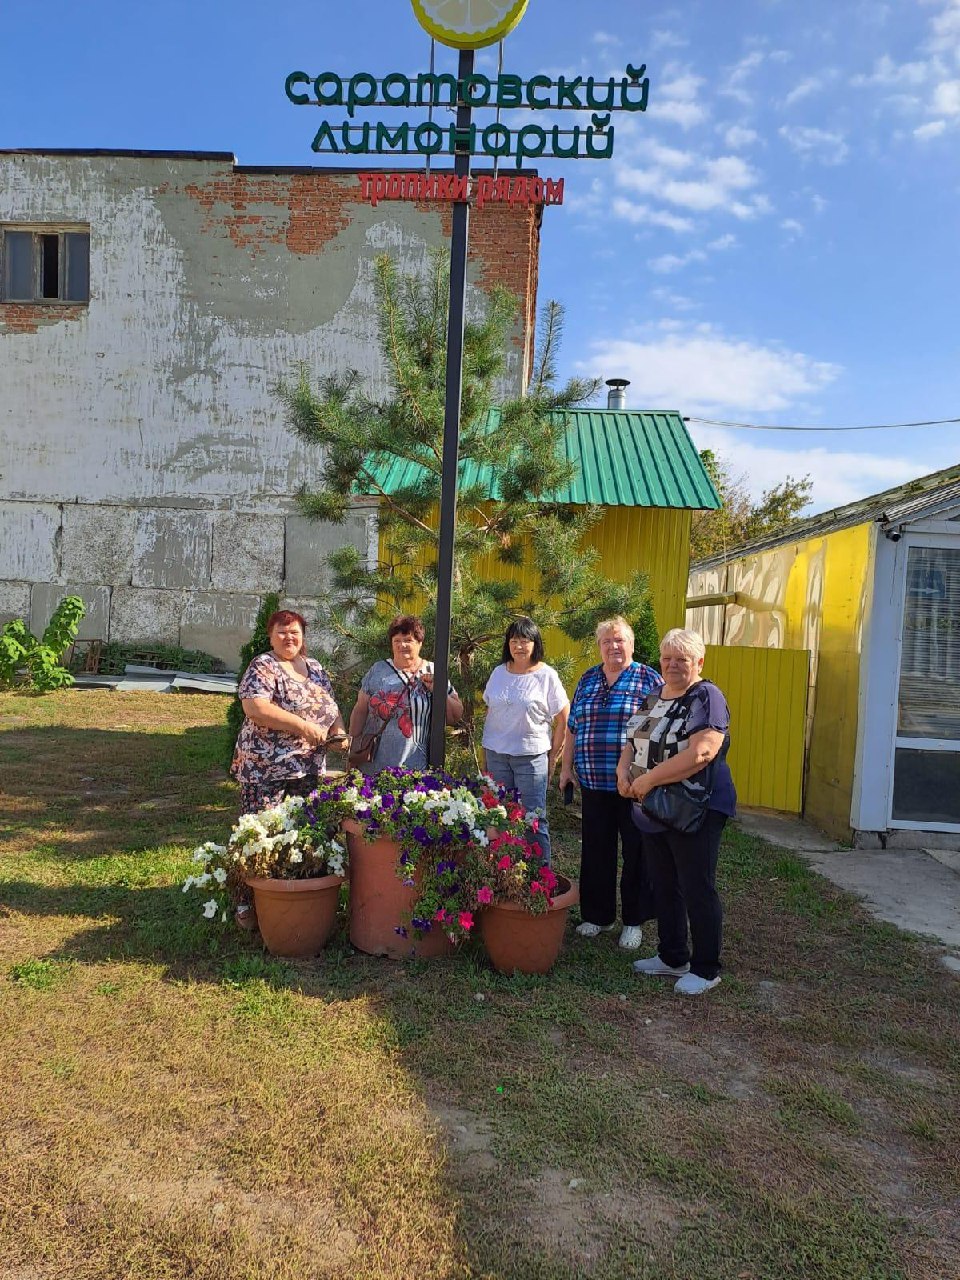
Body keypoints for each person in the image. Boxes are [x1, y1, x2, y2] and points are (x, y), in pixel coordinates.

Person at [620, 627, 736, 997]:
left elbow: (702, 752)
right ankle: (672, 956)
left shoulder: (706, 696)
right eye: (667, 658)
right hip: (653, 808)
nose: (672, 665)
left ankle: (706, 967)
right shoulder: (654, 695)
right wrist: (624, 773)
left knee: (696, 885)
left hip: (695, 808)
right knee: (664, 882)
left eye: (681, 659)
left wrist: (649, 779)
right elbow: (632, 739)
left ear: (698, 662)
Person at [558, 616, 662, 950]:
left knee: (637, 853)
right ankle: (597, 916)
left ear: (631, 644)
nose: (614, 646)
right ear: (599, 646)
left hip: (634, 786)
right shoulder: (589, 678)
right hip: (593, 782)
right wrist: (566, 768)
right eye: (607, 641)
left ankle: (633, 921)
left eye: (620, 640)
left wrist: (643, 774)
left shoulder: (648, 678)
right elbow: (573, 727)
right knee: (596, 850)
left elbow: (658, 731)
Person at [231, 609, 348, 815]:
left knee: (305, 830)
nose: (289, 637)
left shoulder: (315, 667)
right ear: (271, 637)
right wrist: (303, 727)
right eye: (282, 632)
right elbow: (255, 708)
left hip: (308, 766)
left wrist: (338, 733)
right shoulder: (264, 665)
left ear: (303, 636)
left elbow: (331, 706)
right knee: (262, 832)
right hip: (266, 768)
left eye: (295, 632)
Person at [481, 617, 569, 866]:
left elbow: (564, 717)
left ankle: (540, 881)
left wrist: (554, 756)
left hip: (530, 759)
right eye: (514, 641)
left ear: (535, 644)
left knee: (533, 819)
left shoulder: (546, 675)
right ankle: (502, 874)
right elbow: (491, 711)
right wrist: (484, 751)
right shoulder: (498, 672)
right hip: (497, 756)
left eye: (524, 641)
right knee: (498, 816)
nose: (518, 646)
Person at [349, 615, 463, 771]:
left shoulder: (433, 671)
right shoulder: (378, 670)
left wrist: (438, 691)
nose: (401, 645)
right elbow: (360, 710)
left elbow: (455, 716)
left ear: (419, 643)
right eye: (396, 640)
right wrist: (352, 748)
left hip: (417, 765)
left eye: (408, 640)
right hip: (374, 764)